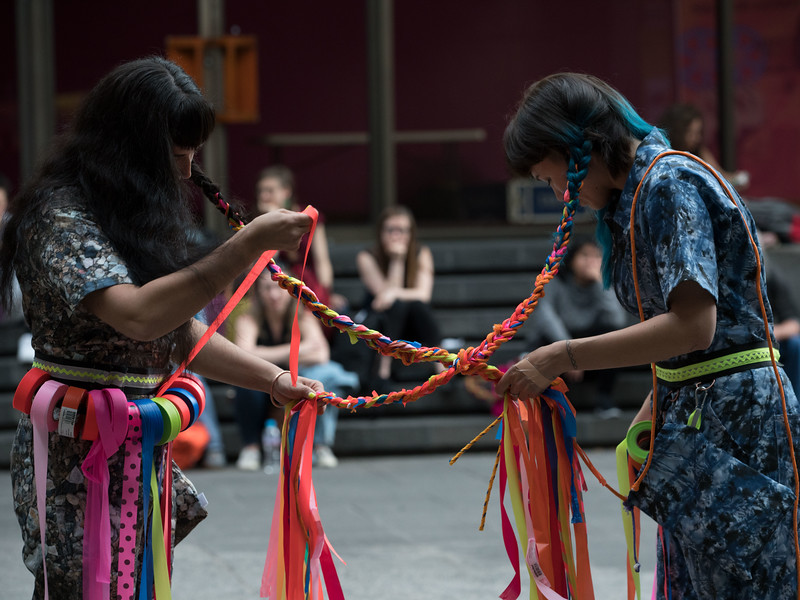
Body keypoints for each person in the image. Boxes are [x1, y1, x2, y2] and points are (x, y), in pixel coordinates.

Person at [0, 56, 324, 599]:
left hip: (133, 442)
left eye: (191, 154)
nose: (185, 170)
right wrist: (243, 246)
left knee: (137, 582)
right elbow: (140, 314)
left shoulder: (128, 210)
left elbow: (180, 332)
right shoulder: (59, 216)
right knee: (86, 585)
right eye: (173, 156)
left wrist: (273, 382)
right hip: (74, 453)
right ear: (125, 149)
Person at [497, 72, 799, 598]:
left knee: (746, 581)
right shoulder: (636, 197)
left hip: (738, 419)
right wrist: (654, 406)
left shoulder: (668, 183)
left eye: (551, 179)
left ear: (578, 150)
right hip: (700, 415)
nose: (559, 194)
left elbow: (693, 326)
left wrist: (561, 355)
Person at [232, 268, 358, 469]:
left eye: (279, 288)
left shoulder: (303, 316)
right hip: (262, 383)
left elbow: (321, 354)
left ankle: (319, 446)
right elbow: (241, 355)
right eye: (266, 289)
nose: (273, 295)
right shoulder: (248, 318)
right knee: (245, 382)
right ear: (258, 293)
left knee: (323, 376)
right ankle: (251, 448)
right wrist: (297, 350)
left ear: (290, 291)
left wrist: (263, 352)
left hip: (296, 379)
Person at [525, 236, 628, 416]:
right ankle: (547, 407)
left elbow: (617, 320)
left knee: (613, 337)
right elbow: (547, 318)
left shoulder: (603, 283)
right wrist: (568, 352)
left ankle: (604, 399)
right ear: (572, 259)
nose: (591, 261)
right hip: (559, 343)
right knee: (541, 345)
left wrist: (599, 282)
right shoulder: (554, 280)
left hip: (586, 349)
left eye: (596, 256)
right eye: (585, 255)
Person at [355, 205, 442, 389]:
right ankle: (383, 365)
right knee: (398, 306)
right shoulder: (366, 256)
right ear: (380, 232)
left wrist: (395, 292)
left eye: (402, 230)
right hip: (381, 323)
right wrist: (397, 260)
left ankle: (439, 364)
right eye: (390, 230)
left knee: (417, 305)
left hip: (414, 322)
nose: (396, 236)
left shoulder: (421, 253)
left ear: (411, 234)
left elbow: (423, 294)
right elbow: (384, 299)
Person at [254, 165, 347, 312]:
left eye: (270, 191)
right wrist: (270, 220)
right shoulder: (259, 221)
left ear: (286, 191)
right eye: (261, 191)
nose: (263, 196)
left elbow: (322, 261)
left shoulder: (307, 217)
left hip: (306, 282)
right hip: (276, 286)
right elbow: (271, 258)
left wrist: (327, 294)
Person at [658, 102, 750, 190]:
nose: (697, 138)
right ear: (678, 132)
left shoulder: (700, 152)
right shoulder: (666, 156)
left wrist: (737, 179)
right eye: (691, 133)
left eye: (698, 133)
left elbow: (721, 177)